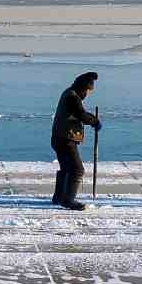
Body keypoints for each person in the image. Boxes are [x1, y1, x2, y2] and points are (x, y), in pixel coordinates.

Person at [50, 71, 101, 211]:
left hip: (59, 138)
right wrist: (94, 121)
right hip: (65, 139)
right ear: (83, 87)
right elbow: (81, 115)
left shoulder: (70, 94)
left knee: (66, 168)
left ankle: (59, 197)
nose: (88, 94)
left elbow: (79, 113)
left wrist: (92, 119)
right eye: (88, 90)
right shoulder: (72, 97)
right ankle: (68, 200)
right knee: (77, 170)